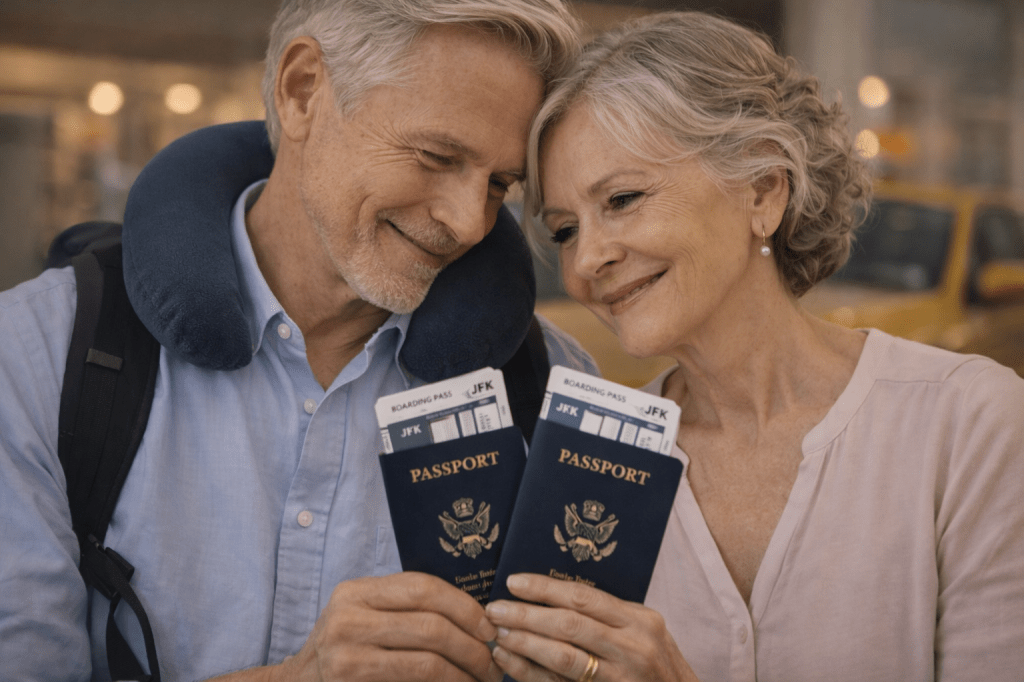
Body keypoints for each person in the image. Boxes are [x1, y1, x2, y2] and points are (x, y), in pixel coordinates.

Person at [0, 1, 595, 680]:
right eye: (437, 156)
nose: (468, 223)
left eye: (499, 185)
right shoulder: (33, 358)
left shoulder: (551, 385)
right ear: (303, 90)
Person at [481, 11, 1024, 682]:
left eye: (622, 198)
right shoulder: (590, 465)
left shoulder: (968, 424)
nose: (588, 258)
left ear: (763, 191)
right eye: (565, 231)